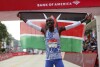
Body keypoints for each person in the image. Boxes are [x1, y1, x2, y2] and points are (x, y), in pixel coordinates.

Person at [17, 13, 92, 67]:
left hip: (58, 59)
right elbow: (31, 25)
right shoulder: (44, 31)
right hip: (48, 60)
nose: (49, 22)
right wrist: (22, 18)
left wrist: (85, 19)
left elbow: (72, 25)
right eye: (47, 21)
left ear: (54, 23)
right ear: (46, 24)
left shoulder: (59, 30)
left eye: (50, 21)